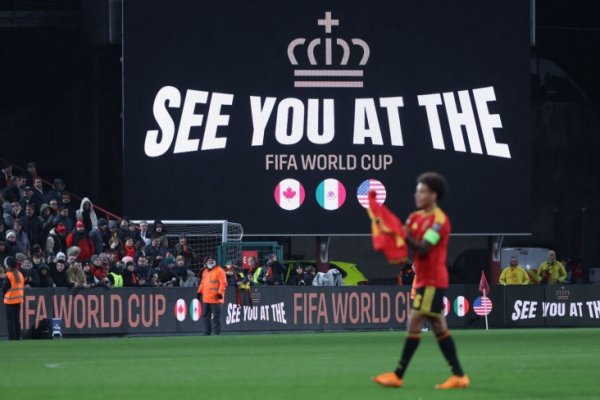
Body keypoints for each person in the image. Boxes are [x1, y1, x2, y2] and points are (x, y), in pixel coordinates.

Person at [373, 172, 468, 390]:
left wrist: (400, 233)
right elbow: (401, 237)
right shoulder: (414, 217)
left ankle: (398, 374)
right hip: (424, 279)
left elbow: (424, 247)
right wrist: (385, 231)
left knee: (415, 321)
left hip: (433, 279)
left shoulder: (440, 221)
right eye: (417, 191)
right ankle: (459, 376)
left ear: (433, 195)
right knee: (438, 325)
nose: (417, 195)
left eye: (422, 191)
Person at [196, 256, 227, 336]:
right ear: (206, 262)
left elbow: (223, 283)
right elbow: (202, 284)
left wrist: (220, 293)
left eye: (212, 260)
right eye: (209, 260)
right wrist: (199, 292)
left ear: (215, 262)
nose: (210, 262)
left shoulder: (220, 271)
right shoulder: (205, 272)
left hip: (216, 299)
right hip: (206, 299)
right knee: (206, 317)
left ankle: (216, 333)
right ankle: (206, 332)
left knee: (216, 317)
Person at [2, 256, 24, 340]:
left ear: (8, 266)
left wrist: (3, 295)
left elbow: (4, 287)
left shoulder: (9, 275)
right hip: (18, 300)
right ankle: (18, 336)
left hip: (10, 300)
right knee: (16, 319)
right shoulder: (20, 274)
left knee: (10, 320)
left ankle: (12, 337)